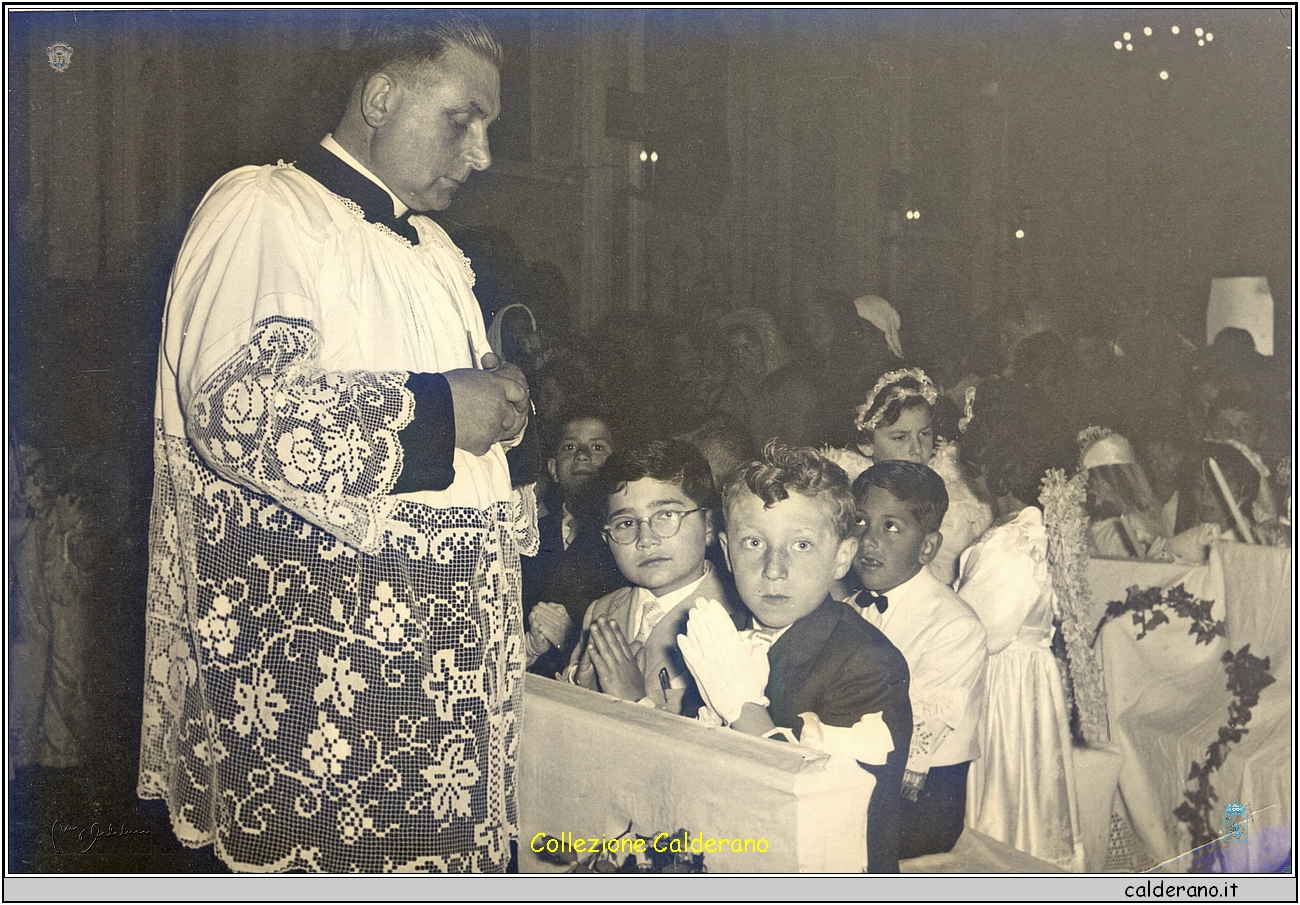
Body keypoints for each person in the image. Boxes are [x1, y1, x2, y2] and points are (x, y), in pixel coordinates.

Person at [138, 15, 538, 872]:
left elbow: (465, 449)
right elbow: (241, 409)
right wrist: (441, 413)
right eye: (464, 119)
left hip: (442, 670)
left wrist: (502, 408)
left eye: (489, 128)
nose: (482, 156)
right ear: (381, 96)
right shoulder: (265, 206)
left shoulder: (436, 249)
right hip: (328, 679)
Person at [678, 443, 912, 872]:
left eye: (801, 545)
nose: (773, 568)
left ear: (842, 556)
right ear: (727, 552)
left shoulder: (867, 663)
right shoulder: (719, 637)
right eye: (753, 542)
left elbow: (827, 825)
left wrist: (744, 710)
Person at [956, 378, 1082, 870]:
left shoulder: (1009, 545)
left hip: (1004, 684)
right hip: (1030, 681)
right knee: (1026, 800)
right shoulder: (1037, 527)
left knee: (1002, 800)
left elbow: (975, 633)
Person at [849, 462, 987, 859]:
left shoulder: (955, 626)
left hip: (919, 803)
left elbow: (913, 731)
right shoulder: (848, 605)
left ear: (927, 546)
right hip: (854, 775)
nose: (869, 540)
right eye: (861, 521)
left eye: (891, 526)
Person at [565, 440, 745, 714]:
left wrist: (637, 702)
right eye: (625, 523)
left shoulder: (736, 621)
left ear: (708, 526)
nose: (646, 539)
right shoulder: (601, 612)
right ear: (606, 539)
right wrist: (583, 689)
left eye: (666, 515)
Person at [821, 368, 993, 586]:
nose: (917, 449)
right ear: (866, 444)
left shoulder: (963, 494)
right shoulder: (846, 494)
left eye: (924, 434)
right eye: (900, 438)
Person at [523, 408, 623, 676]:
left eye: (598, 447)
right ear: (554, 469)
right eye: (570, 447)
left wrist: (571, 635)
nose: (582, 455)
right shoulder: (528, 536)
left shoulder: (626, 537)